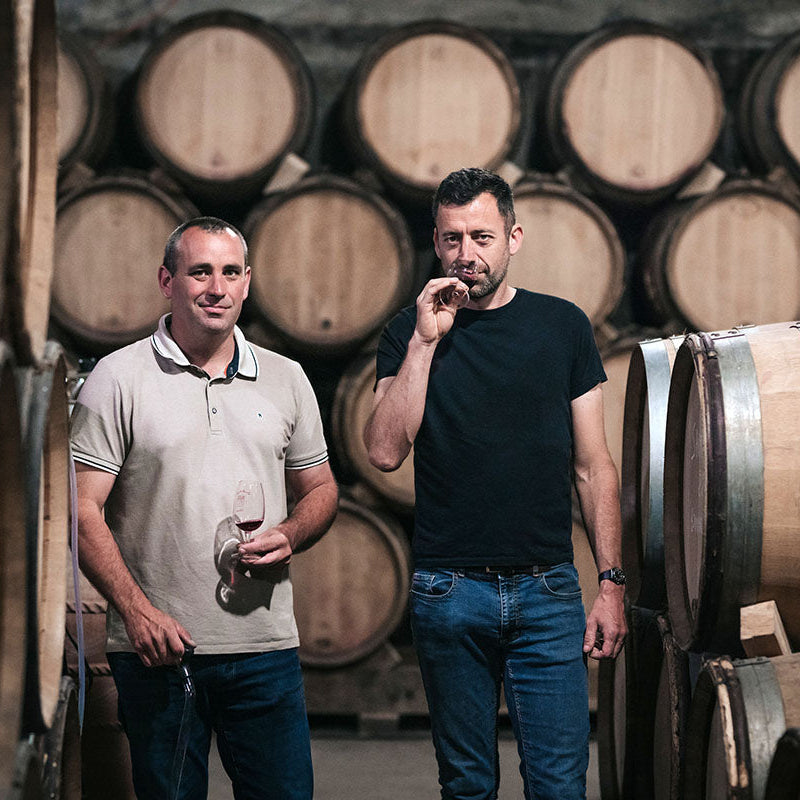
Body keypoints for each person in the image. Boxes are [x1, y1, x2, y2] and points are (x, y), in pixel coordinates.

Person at [364, 168, 627, 800]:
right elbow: (383, 451)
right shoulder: (406, 331)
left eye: (481, 236)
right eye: (452, 239)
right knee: (468, 784)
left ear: (513, 238)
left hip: (547, 590)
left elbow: (594, 466)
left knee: (560, 783)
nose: (466, 255)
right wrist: (427, 343)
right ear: (435, 242)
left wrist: (612, 582)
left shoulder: (562, 326)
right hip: (448, 587)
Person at [71, 216, 338, 800]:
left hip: (265, 649)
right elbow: (80, 511)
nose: (216, 287)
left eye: (230, 272)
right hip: (161, 651)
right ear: (167, 281)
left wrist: (292, 533)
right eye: (199, 272)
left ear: (247, 283)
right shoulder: (117, 379)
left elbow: (320, 490)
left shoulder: (287, 378)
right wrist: (137, 614)